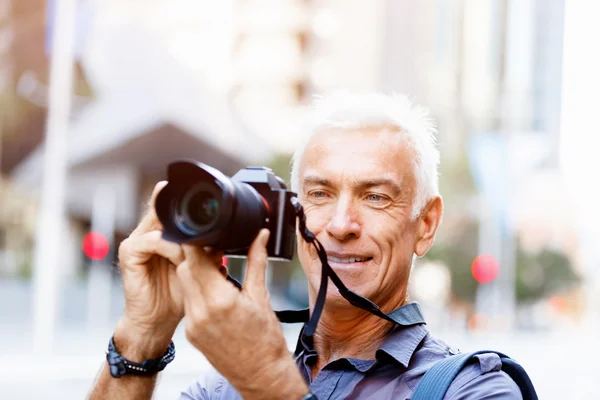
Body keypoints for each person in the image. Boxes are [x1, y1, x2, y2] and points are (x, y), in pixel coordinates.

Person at [89, 92, 522, 399]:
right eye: (319, 194)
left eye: (375, 197)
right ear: (291, 216)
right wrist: (141, 338)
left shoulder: (475, 389)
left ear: (425, 225)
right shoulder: (224, 388)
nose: (340, 224)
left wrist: (268, 383)